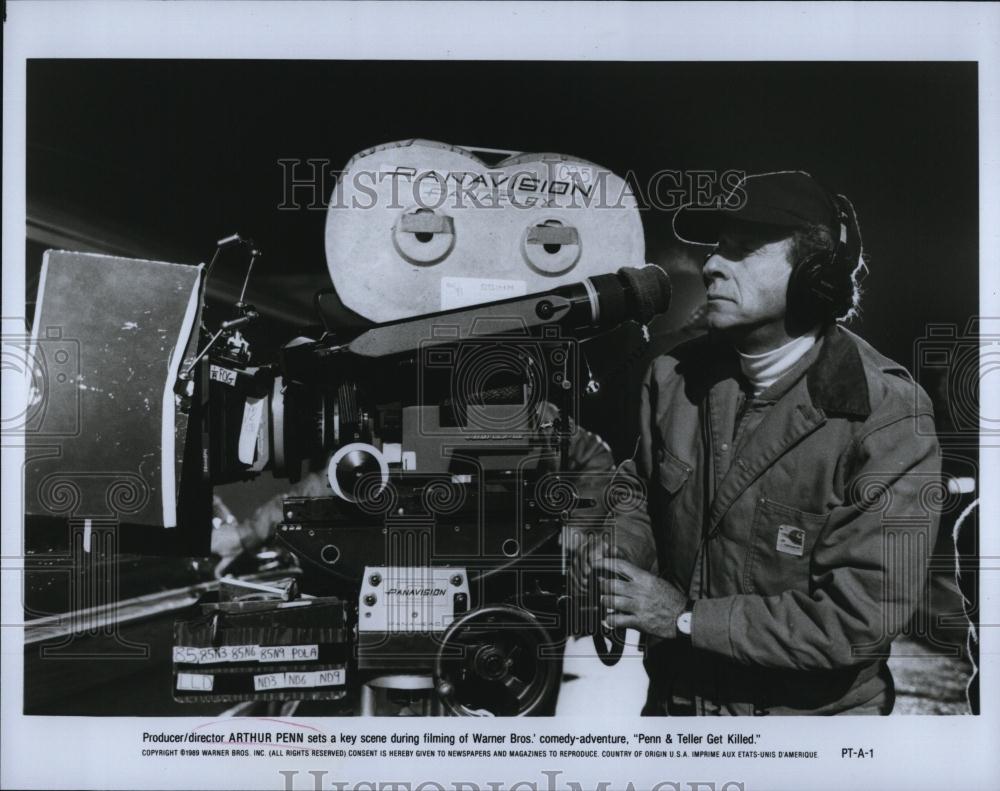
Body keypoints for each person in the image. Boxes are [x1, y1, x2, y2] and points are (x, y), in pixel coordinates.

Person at [586, 171, 941, 715]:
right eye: (715, 248)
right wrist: (617, 554)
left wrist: (683, 618)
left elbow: (857, 620)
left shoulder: (888, 417)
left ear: (815, 274)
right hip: (680, 712)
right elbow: (640, 490)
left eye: (742, 250)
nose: (710, 266)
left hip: (808, 733)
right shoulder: (673, 378)